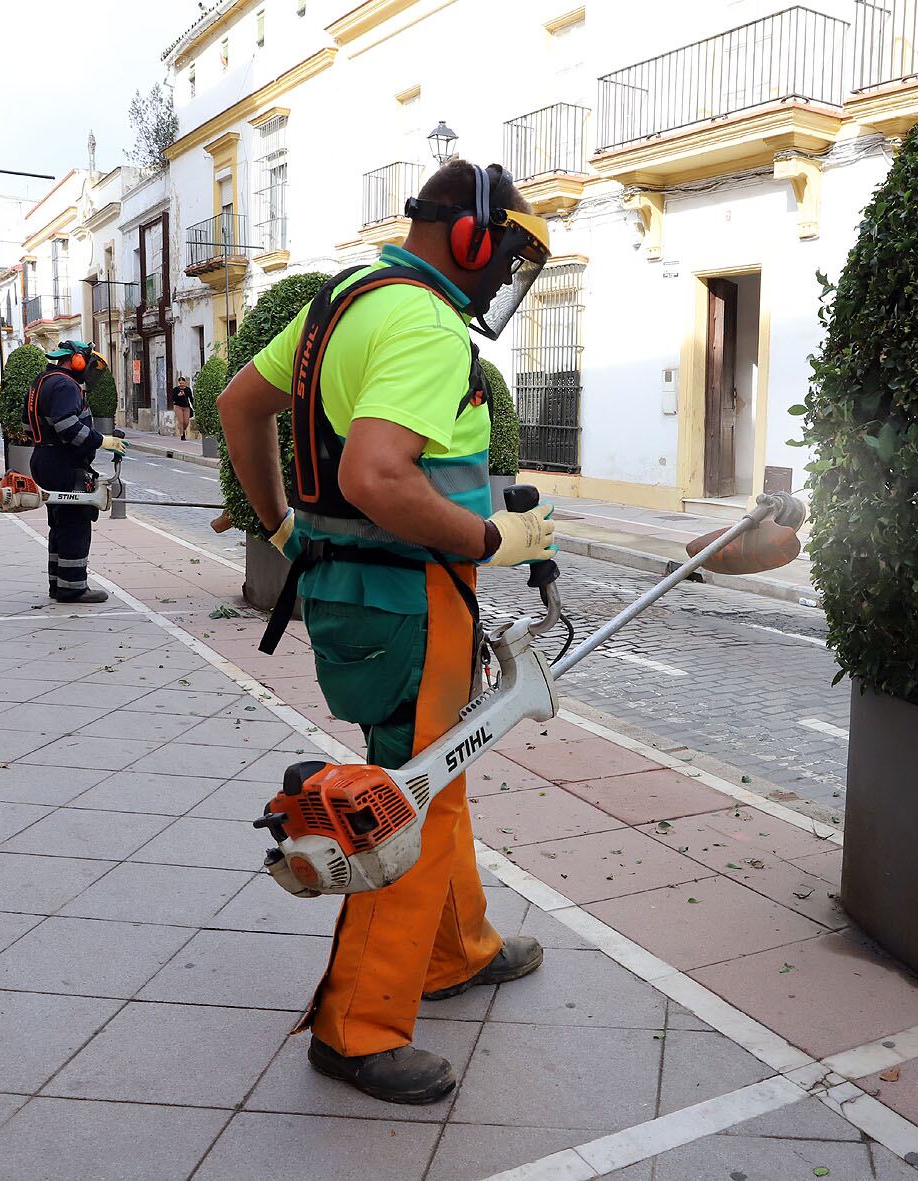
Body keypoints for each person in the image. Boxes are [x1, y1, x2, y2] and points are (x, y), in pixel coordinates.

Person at [217, 160, 556, 1105]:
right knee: (404, 799)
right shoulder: (426, 321)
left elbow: (241, 403)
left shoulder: (345, 298)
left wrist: (280, 525)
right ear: (475, 238)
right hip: (411, 596)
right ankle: (356, 1029)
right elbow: (378, 474)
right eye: (508, 258)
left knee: (434, 775)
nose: (503, 281)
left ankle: (456, 948)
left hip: (351, 590)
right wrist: (495, 536)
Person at [26, 340, 122, 604]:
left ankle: (58, 583)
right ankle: (73, 588)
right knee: (75, 523)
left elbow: (27, 425)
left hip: (44, 458)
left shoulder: (42, 381)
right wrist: (101, 441)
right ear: (77, 360)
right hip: (63, 462)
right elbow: (68, 427)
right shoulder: (66, 385)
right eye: (88, 363)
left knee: (58, 523)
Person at [171, 374, 194, 440]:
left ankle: (182, 430)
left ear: (185, 383)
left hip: (186, 407)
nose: (181, 384)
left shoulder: (188, 389)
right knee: (181, 421)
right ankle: (182, 435)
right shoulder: (175, 389)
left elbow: (191, 398)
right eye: (180, 383)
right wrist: (178, 395)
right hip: (178, 406)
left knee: (186, 422)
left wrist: (193, 405)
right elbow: (173, 398)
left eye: (182, 383)